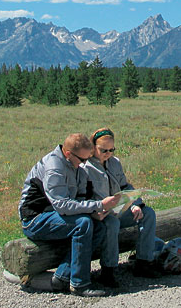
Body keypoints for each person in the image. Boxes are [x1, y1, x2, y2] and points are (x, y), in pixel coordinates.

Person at [18, 133, 120, 297]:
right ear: (67, 154)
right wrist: (99, 205)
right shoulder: (54, 167)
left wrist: (95, 213)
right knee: (83, 223)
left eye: (87, 159)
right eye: (82, 160)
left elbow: (79, 199)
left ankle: (62, 277)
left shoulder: (77, 167)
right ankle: (79, 284)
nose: (85, 163)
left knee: (99, 226)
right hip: (35, 219)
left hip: (56, 215)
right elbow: (62, 205)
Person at [83, 127, 160, 287]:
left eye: (112, 149)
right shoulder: (85, 167)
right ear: (93, 147)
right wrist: (97, 210)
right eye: (104, 150)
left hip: (119, 208)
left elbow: (125, 186)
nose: (108, 153)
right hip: (99, 214)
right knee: (112, 223)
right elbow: (83, 196)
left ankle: (143, 262)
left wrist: (135, 204)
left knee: (148, 214)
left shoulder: (115, 163)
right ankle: (108, 270)